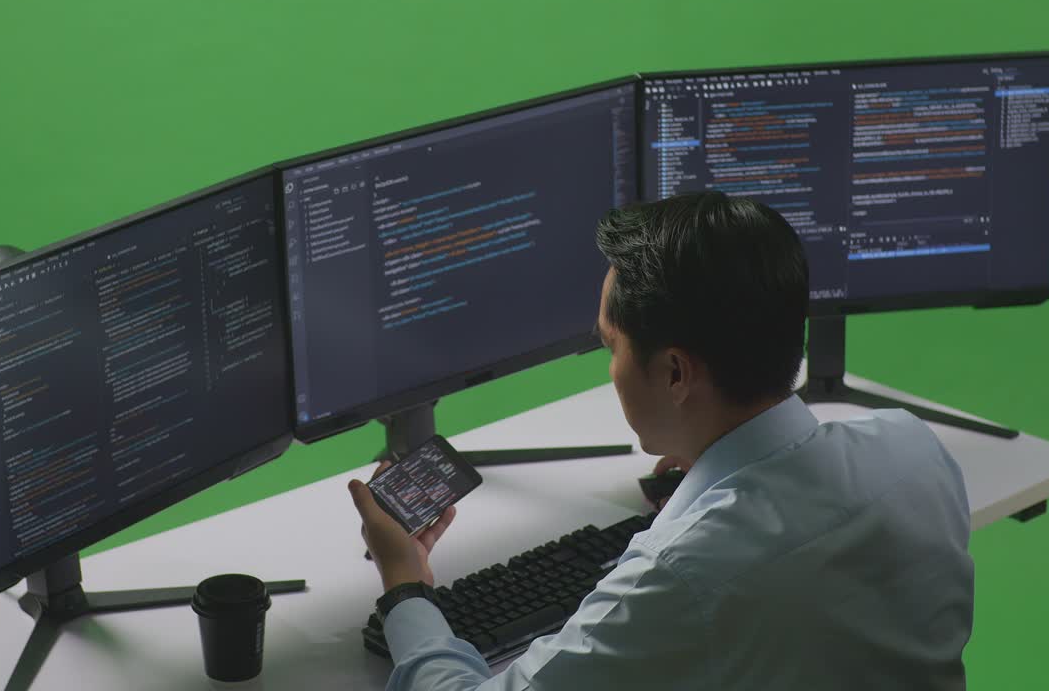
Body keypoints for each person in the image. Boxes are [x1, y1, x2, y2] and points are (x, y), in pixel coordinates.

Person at [348, 191, 975, 690]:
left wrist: (406, 583)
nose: (610, 367)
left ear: (676, 373)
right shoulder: (914, 450)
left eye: (609, 345)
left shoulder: (683, 573)